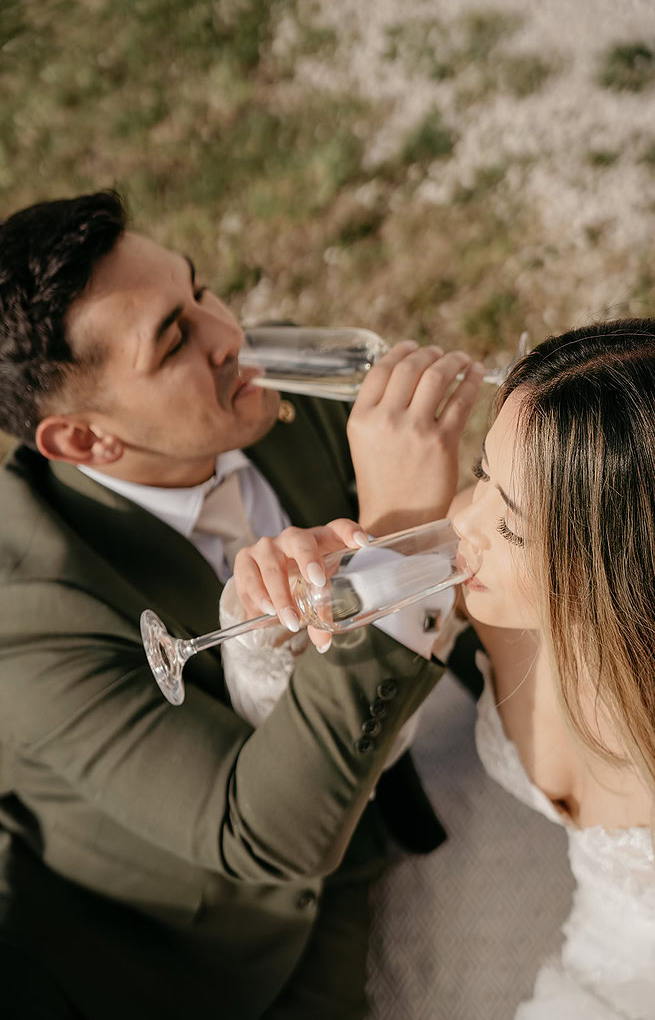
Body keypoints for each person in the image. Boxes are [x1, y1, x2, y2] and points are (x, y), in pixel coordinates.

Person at [0, 190, 485, 1020]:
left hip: (356, 828)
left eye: (200, 290)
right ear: (84, 441)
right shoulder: (26, 617)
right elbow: (258, 832)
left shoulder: (279, 389)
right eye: (175, 339)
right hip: (188, 963)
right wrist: (396, 537)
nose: (233, 333)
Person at [446, 317, 655, 1017]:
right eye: (481, 470)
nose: (464, 520)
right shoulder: (490, 580)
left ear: (620, 567)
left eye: (511, 524)